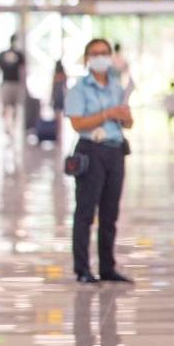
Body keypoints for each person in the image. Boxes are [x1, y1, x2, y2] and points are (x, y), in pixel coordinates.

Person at [64, 39, 134, 285]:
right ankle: (82, 268)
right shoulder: (79, 89)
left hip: (114, 151)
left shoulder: (116, 86)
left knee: (110, 213)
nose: (100, 57)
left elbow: (128, 121)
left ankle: (108, 267)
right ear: (87, 59)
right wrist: (107, 114)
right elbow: (77, 123)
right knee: (85, 212)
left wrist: (123, 116)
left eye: (104, 53)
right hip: (90, 151)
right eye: (95, 54)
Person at [0, 34, 26, 134]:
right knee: (6, 106)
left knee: (15, 107)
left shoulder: (19, 55)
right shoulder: (3, 54)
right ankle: (6, 126)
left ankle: (13, 126)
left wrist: (23, 84)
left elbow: (23, 70)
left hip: (15, 83)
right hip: (6, 83)